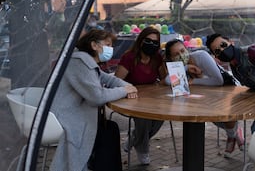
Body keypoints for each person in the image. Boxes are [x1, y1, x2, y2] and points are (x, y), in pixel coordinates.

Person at [50, 29, 138, 171]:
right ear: (94, 45)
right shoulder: (79, 63)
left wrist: (129, 87)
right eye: (107, 44)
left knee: (110, 129)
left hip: (73, 114)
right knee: (108, 131)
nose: (111, 49)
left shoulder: (87, 62)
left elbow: (109, 79)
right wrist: (123, 91)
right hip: (64, 118)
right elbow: (97, 97)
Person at [163, 39, 244, 157]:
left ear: (186, 49)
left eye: (182, 50)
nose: (181, 55)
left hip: (225, 90)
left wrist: (193, 81)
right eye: (176, 54)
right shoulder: (179, 66)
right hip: (203, 96)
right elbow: (167, 81)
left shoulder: (201, 56)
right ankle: (234, 133)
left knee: (220, 114)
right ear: (171, 58)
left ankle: (232, 134)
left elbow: (218, 81)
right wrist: (186, 68)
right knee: (209, 116)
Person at [114, 26, 167, 165]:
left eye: (155, 42)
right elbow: (117, 81)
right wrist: (128, 90)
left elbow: (164, 79)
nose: (152, 44)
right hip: (132, 98)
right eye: (148, 40)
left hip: (152, 98)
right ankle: (143, 149)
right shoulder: (129, 57)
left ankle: (134, 138)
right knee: (143, 119)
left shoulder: (157, 58)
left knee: (163, 114)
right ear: (140, 40)